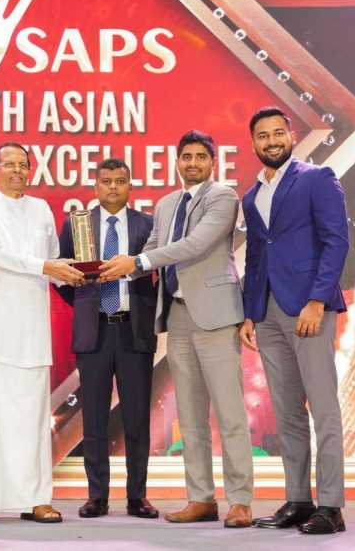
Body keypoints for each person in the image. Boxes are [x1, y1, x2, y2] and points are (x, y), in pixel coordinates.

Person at [100, 130, 253, 527]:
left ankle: (240, 500)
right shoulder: (167, 203)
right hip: (178, 315)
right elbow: (153, 247)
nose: (192, 163)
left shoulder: (223, 197)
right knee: (190, 415)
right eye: (186, 156)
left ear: (212, 162)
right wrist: (113, 266)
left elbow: (195, 244)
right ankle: (200, 498)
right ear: (177, 161)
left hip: (216, 314)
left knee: (230, 413)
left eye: (200, 156)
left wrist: (136, 262)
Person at [0, 143, 83, 524]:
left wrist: (76, 273)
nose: (16, 170)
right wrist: (46, 266)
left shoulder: (41, 208)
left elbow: (53, 261)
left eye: (23, 164)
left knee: (32, 420)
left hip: (32, 331)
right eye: (8, 164)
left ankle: (36, 498)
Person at [239, 107, 349, 535]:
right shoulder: (251, 197)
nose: (271, 141)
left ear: (291, 135)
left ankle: (332, 506)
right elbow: (255, 257)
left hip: (308, 310)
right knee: (286, 412)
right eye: (262, 135)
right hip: (267, 313)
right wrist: (250, 313)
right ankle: (299, 500)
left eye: (278, 133)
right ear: (253, 142)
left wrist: (318, 300)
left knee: (323, 408)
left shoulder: (317, 178)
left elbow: (336, 240)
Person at [56, 158, 158, 519]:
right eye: (106, 181)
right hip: (94, 331)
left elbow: (158, 271)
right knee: (94, 418)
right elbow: (62, 276)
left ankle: (137, 497)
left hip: (134, 331)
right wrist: (86, 303)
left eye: (120, 181)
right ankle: (97, 496)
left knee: (137, 418)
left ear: (130, 186)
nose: (113, 187)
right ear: (96, 186)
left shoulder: (148, 224)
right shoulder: (78, 224)